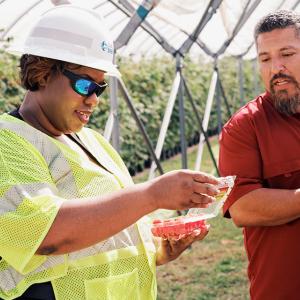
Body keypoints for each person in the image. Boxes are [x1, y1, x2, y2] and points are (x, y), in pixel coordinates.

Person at [0, 4, 221, 300]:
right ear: (42, 73)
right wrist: (152, 194)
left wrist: (157, 248)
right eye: (84, 85)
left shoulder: (93, 142)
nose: (94, 100)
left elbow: (107, 228)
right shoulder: (8, 141)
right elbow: (45, 233)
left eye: (100, 88)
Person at [219, 10, 300, 300]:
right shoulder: (245, 126)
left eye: (287, 54)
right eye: (265, 59)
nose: (276, 67)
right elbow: (243, 207)